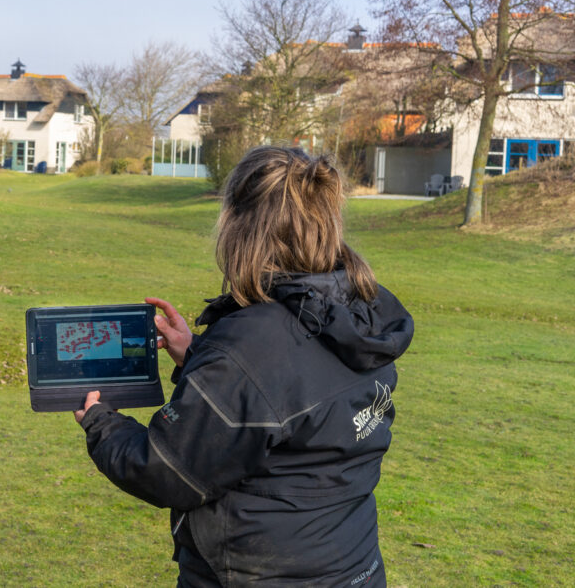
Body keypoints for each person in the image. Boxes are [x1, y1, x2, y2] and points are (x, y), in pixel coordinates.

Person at [74, 146, 414, 587]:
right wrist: (199, 355)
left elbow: (165, 469)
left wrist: (102, 424)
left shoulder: (253, 345)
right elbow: (291, 397)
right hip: (351, 569)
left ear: (240, 226)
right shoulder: (358, 312)